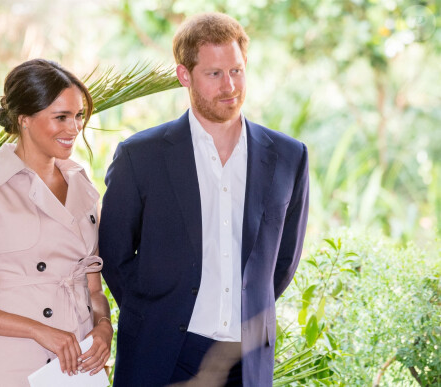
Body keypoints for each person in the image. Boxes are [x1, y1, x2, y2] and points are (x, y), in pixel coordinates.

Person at [99, 12, 309, 387]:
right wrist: (155, 310)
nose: (229, 86)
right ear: (185, 76)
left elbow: (282, 263)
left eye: (237, 71)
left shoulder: (289, 157)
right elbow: (114, 255)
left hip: (247, 364)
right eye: (214, 74)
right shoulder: (139, 156)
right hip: (161, 354)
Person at [0, 59, 113, 387]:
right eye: (60, 117)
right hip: (13, 359)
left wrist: (103, 326)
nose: (73, 128)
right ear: (24, 119)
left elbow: (93, 288)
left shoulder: (83, 184)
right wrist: (39, 331)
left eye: (78, 117)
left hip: (77, 363)